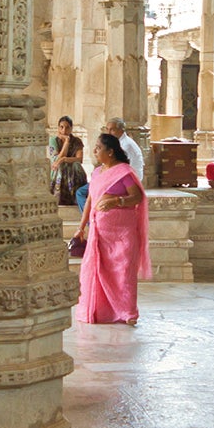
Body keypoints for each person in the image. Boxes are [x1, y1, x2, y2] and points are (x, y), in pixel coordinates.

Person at [75, 133, 151, 325]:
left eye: (99, 148)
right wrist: (81, 226)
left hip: (122, 234)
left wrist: (117, 201)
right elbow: (91, 200)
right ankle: (100, 311)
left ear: (110, 152)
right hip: (99, 232)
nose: (95, 151)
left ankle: (127, 312)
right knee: (98, 271)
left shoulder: (124, 172)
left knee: (123, 272)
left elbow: (137, 197)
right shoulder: (98, 172)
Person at [49, 115, 87, 206]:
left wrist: (64, 159)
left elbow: (79, 159)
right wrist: (66, 142)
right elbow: (56, 160)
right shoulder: (53, 140)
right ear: (58, 128)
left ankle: (75, 198)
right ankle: (59, 197)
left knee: (76, 165)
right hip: (58, 168)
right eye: (61, 127)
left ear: (71, 129)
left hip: (73, 168)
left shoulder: (77, 141)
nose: (64, 130)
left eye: (67, 127)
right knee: (61, 167)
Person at [103, 117, 145, 186]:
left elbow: (120, 167)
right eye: (107, 129)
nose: (108, 133)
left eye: (112, 130)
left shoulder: (126, 145)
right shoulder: (117, 142)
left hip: (130, 180)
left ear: (121, 130)